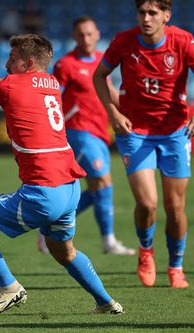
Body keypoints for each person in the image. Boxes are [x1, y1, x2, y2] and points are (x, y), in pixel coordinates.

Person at [0, 34, 124, 317]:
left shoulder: (11, 85)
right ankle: (106, 302)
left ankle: (8, 287)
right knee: (64, 252)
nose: (6, 63)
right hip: (70, 188)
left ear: (28, 62)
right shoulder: (50, 82)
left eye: (12, 58)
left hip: (42, 192)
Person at [93, 0, 194, 288]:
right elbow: (99, 76)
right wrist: (113, 111)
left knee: (175, 208)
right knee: (147, 204)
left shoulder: (182, 41)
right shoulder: (123, 41)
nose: (146, 18)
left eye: (152, 13)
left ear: (166, 15)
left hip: (175, 133)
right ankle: (146, 251)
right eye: (141, 12)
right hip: (135, 132)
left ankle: (176, 266)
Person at [36, 16, 135, 256]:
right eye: (81, 34)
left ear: (98, 34)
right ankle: (108, 241)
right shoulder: (66, 64)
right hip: (78, 131)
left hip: (100, 131)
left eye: (90, 34)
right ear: (74, 36)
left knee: (97, 188)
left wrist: (131, 110)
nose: (86, 38)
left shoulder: (102, 60)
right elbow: (52, 97)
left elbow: (110, 92)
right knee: (103, 182)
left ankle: (47, 225)